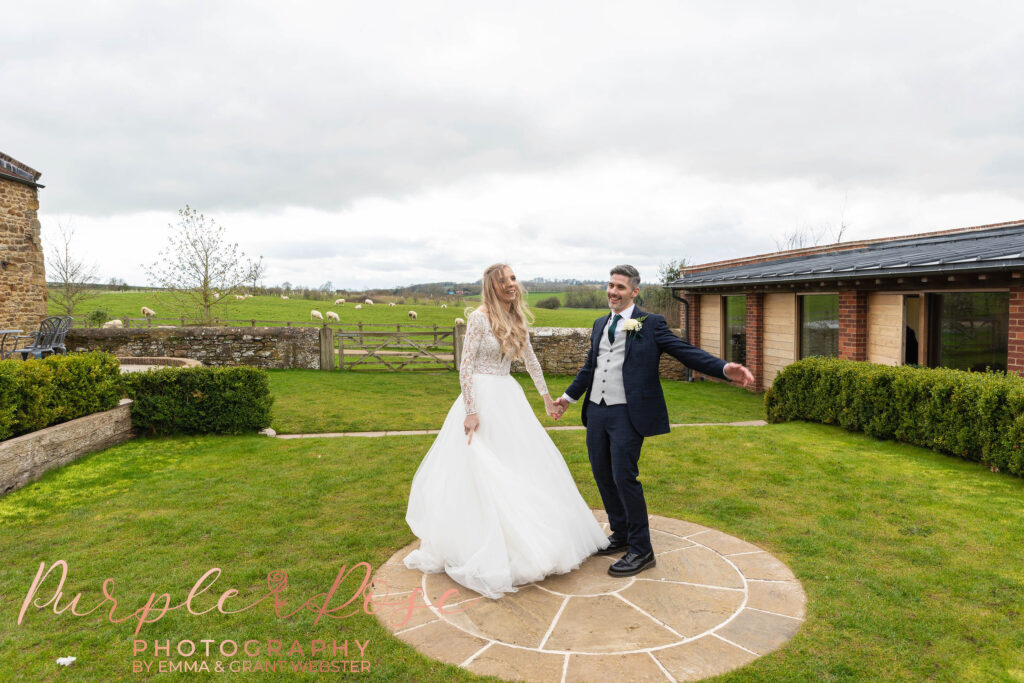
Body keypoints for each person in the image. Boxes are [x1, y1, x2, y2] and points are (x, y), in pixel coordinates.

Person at [403, 263, 608, 599]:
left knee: (519, 466)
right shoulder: (478, 318)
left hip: (508, 397)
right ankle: (481, 542)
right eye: (504, 280)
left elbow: (530, 361)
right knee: (480, 469)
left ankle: (528, 538)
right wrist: (470, 411)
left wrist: (545, 399)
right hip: (480, 400)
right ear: (492, 286)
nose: (511, 284)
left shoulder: (516, 318)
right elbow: (465, 366)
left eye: (513, 278)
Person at [554, 265, 753, 578]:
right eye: (610, 285)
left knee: (624, 477)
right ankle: (620, 534)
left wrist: (724, 368)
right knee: (603, 475)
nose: (613, 292)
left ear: (634, 291)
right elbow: (590, 367)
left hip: (628, 414)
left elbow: (685, 352)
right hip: (596, 411)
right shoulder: (599, 323)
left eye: (620, 287)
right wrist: (567, 399)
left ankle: (642, 550)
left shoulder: (650, 323)